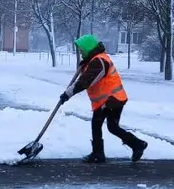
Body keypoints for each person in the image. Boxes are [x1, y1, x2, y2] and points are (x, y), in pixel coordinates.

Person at [58, 34, 148, 163]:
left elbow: (86, 81)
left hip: (110, 100)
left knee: (97, 123)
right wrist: (85, 64)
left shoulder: (99, 61)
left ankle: (98, 154)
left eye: (82, 49)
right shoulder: (95, 59)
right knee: (112, 127)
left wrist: (68, 94)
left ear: (88, 48)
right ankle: (137, 144)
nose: (81, 52)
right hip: (115, 99)